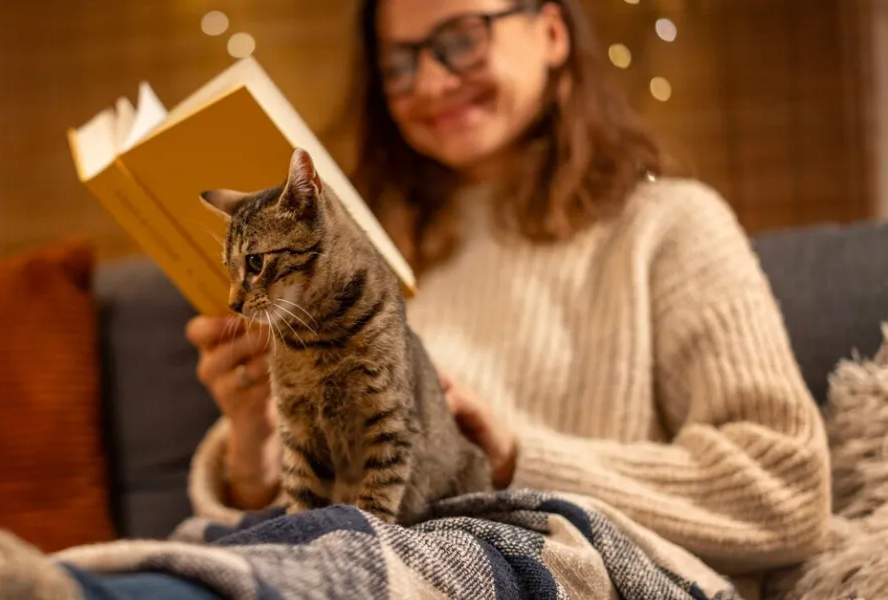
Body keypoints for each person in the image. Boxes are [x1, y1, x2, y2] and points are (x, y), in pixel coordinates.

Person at [183, 0, 832, 595]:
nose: (431, 83)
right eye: (398, 64)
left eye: (461, 40)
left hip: (550, 567)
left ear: (551, 32)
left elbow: (788, 489)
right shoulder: (357, 248)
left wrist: (516, 458)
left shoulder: (671, 226)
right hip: (368, 562)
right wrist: (253, 439)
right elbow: (287, 518)